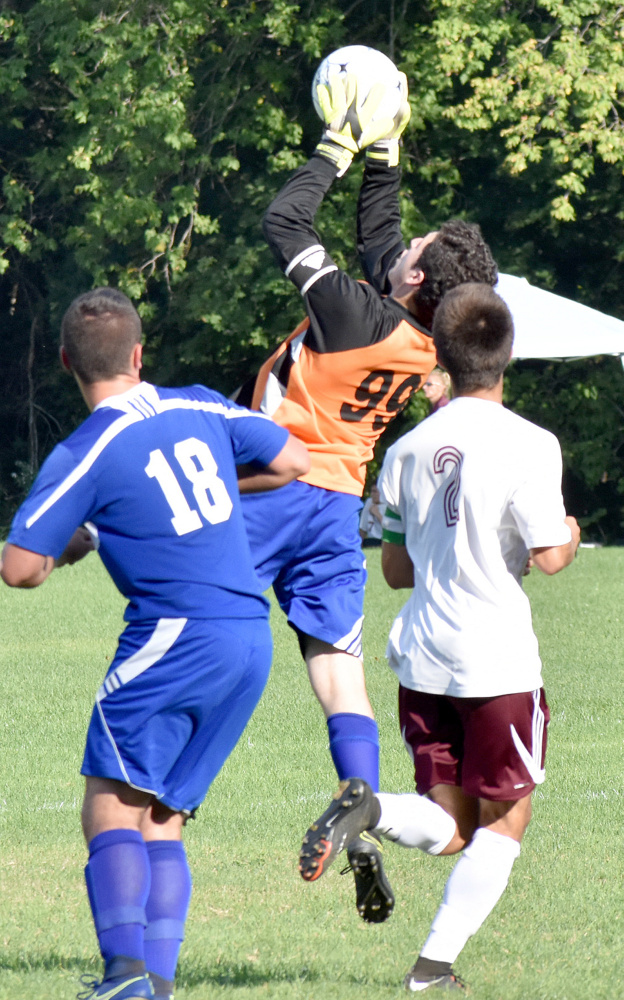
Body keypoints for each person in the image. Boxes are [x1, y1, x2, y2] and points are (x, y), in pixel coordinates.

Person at [236, 71, 498, 921]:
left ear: (414, 282)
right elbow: (382, 231)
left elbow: (284, 222)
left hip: (272, 492)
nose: (402, 247)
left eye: (414, 252)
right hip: (336, 512)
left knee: (191, 616)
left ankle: (159, 784)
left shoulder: (353, 314)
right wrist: (386, 146)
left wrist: (336, 149)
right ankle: (361, 817)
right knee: (339, 675)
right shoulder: (428, 336)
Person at [0, 288, 309, 1000]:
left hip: (175, 637)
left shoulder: (90, 445)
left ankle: (123, 979)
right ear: (140, 355)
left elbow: (21, 568)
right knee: (162, 818)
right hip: (247, 638)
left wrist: (83, 536)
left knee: (110, 806)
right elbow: (291, 459)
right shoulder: (200, 403)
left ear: (65, 363)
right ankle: (155, 984)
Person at [298, 282, 580, 991]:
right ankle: (431, 969)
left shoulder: (407, 449)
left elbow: (393, 569)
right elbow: (550, 557)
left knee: (451, 823)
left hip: (422, 656)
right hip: (496, 662)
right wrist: (571, 531)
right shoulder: (532, 443)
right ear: (508, 355)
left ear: (443, 357)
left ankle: (369, 808)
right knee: (506, 818)